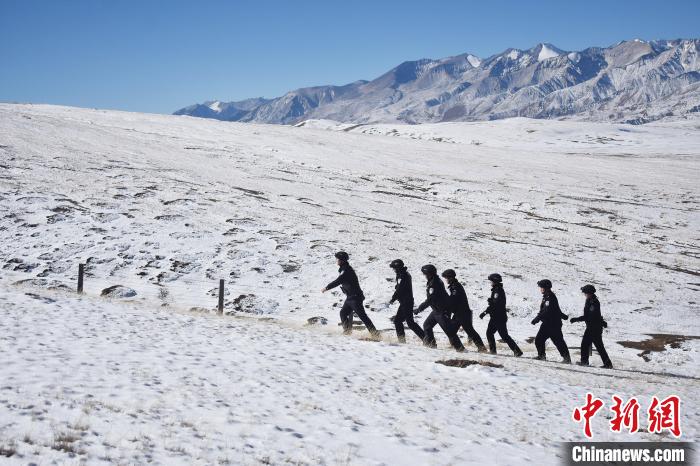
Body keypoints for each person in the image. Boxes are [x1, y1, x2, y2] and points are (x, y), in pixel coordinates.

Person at [322, 251, 379, 337]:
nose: (336, 260)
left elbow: (338, 281)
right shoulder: (344, 269)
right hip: (350, 297)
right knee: (343, 313)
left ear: (342, 260)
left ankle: (376, 335)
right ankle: (347, 332)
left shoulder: (347, 270)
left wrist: (327, 287)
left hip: (355, 297)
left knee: (363, 316)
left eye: (337, 259)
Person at [414, 264, 465, 352]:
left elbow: (430, 300)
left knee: (449, 331)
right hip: (437, 310)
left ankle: (460, 349)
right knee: (427, 325)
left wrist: (419, 309)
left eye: (425, 274)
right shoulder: (433, 280)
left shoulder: (434, 283)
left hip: (442, 311)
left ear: (429, 274)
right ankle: (431, 345)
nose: (424, 276)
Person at [441, 269, 486, 352]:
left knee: (469, 331)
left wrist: (445, 303)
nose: (446, 280)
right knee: (452, 330)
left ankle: (481, 348)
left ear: (450, 278)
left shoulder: (455, 287)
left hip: (462, 314)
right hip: (459, 313)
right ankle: (456, 346)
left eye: (446, 278)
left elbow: (453, 300)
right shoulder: (454, 286)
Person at [479, 273, 523, 356]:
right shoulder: (497, 290)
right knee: (500, 335)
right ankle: (517, 351)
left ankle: (495, 351)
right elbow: (494, 304)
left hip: (498, 317)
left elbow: (495, 305)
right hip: (498, 317)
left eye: (491, 281)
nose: (490, 283)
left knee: (495, 334)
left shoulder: (497, 291)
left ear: (495, 281)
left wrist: (485, 312)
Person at [570, 284, 613, 369]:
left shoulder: (593, 302)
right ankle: (605, 363)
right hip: (592, 327)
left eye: (585, 293)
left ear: (589, 293)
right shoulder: (589, 300)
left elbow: (589, 316)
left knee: (588, 345)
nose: (584, 294)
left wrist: (576, 319)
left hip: (594, 328)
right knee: (594, 346)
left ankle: (587, 362)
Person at [531, 279, 571, 363]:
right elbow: (555, 310)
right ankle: (542, 356)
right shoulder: (547, 296)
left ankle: (566, 358)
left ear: (546, 288)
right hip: (548, 323)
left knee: (558, 341)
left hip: (552, 324)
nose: (540, 289)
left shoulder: (550, 297)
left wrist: (537, 319)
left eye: (542, 287)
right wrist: (563, 316)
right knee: (540, 340)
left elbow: (547, 311)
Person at [389, 259, 425, 343]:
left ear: (398, 268)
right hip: (405, 302)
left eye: (394, 268)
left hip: (406, 302)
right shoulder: (403, 274)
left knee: (406, 322)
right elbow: (399, 286)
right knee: (403, 321)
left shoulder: (403, 275)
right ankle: (425, 338)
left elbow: (399, 289)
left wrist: (393, 299)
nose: (393, 270)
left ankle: (425, 339)